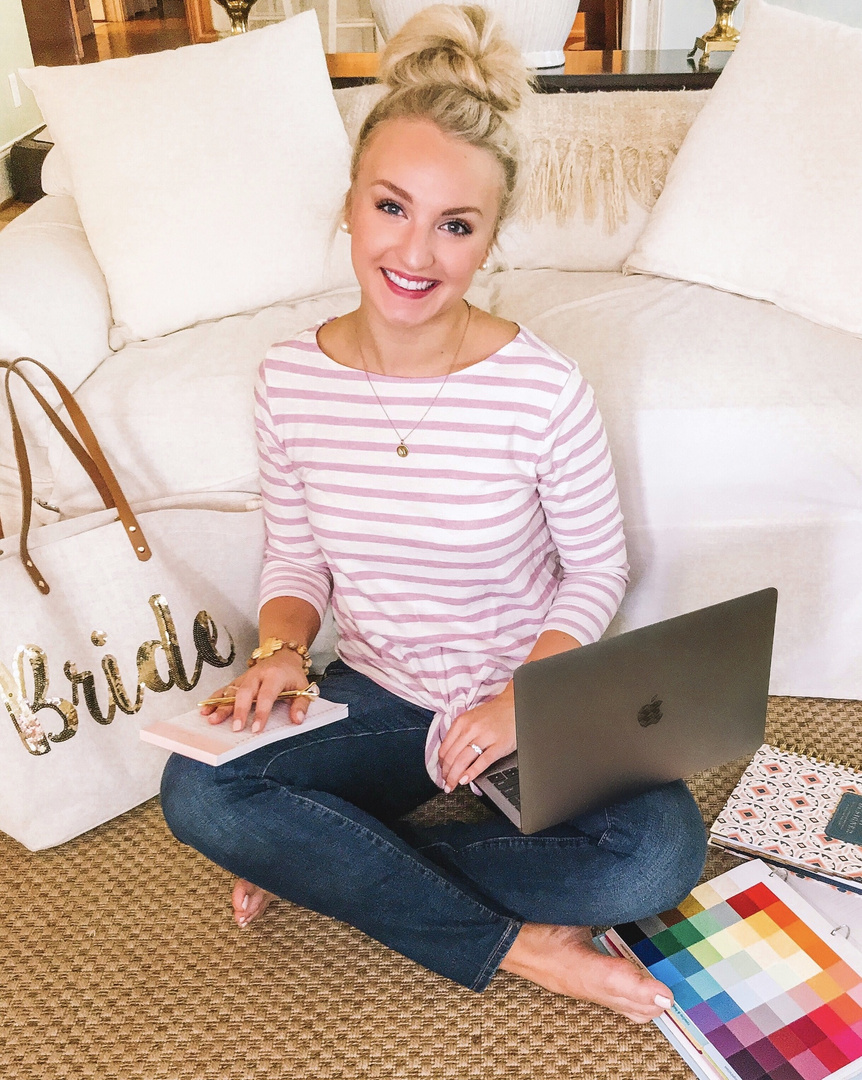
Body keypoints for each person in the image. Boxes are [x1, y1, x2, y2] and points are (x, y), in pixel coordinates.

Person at [160, 3, 706, 1023]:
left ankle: (326, 864)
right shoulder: (288, 379)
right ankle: (521, 950)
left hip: (523, 695)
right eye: (391, 207)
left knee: (656, 855)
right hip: (378, 692)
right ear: (349, 206)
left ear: (490, 239)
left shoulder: (542, 388)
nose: (416, 251)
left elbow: (596, 567)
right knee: (200, 794)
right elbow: (297, 559)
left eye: (455, 225)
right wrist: (282, 650)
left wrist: (522, 700)